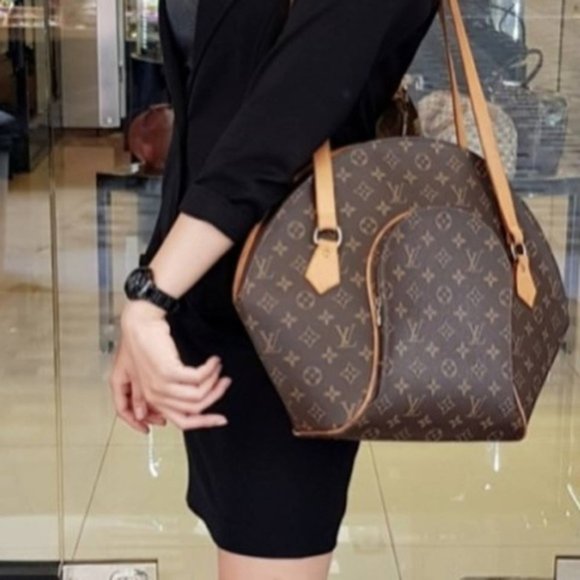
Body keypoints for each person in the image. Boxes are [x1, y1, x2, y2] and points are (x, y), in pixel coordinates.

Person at [109, 0, 440, 578]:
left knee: (271, 544)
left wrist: (151, 297)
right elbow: (207, 124)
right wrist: (156, 293)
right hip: (203, 295)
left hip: (300, 311)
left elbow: (287, 112)